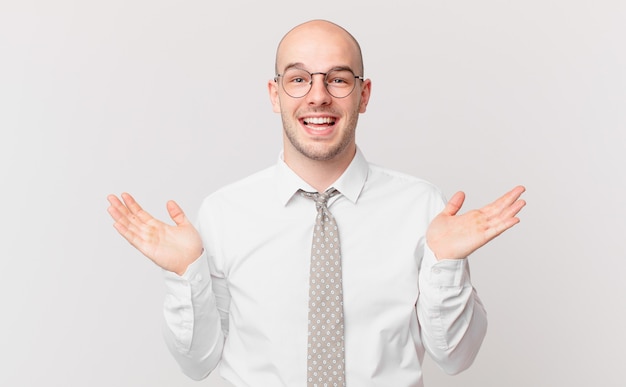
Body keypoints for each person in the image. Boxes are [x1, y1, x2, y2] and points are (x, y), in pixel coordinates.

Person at [107, 19, 526, 387]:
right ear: (275, 95)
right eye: (298, 79)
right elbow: (196, 363)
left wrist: (446, 265)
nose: (319, 96)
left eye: (339, 79)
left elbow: (456, 357)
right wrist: (186, 275)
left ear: (363, 95)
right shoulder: (223, 214)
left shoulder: (422, 208)